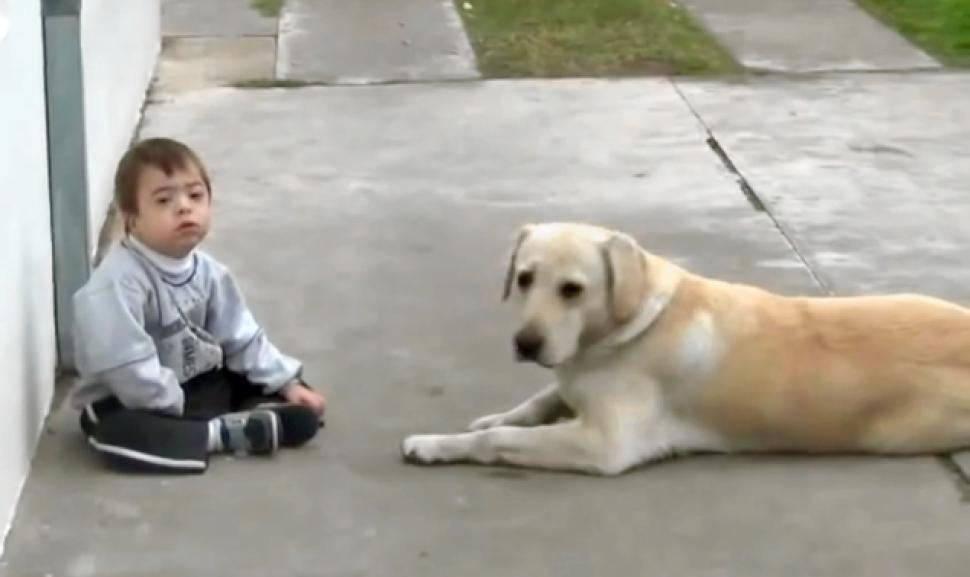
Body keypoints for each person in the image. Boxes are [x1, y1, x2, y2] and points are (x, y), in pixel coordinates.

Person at [68, 137, 326, 474]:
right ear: (132, 219)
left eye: (195, 196)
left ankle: (249, 417)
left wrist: (286, 382)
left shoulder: (209, 273)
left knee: (264, 380)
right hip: (134, 400)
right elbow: (125, 366)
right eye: (164, 200)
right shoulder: (117, 284)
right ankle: (217, 434)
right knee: (116, 433)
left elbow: (241, 337)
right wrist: (176, 406)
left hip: (196, 383)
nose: (184, 208)